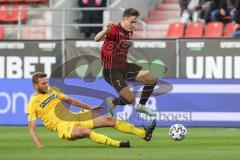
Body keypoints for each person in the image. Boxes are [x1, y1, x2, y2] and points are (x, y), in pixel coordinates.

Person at [27, 72, 156, 148]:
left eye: (47, 82)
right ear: (35, 85)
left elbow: (70, 100)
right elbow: (32, 127)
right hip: (63, 126)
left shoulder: (52, 90)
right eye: (43, 83)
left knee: (109, 120)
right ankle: (119, 144)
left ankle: (144, 134)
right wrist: (39, 145)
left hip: (74, 116)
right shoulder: (32, 103)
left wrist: (89, 107)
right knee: (85, 131)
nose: (46, 85)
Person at [94, 8, 157, 117]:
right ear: (124, 20)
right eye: (132, 22)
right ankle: (113, 102)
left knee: (151, 79)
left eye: (135, 22)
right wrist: (105, 30)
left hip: (124, 66)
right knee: (130, 99)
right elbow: (96, 38)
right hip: (111, 71)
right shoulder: (113, 29)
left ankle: (141, 106)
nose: (134, 25)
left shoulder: (129, 32)